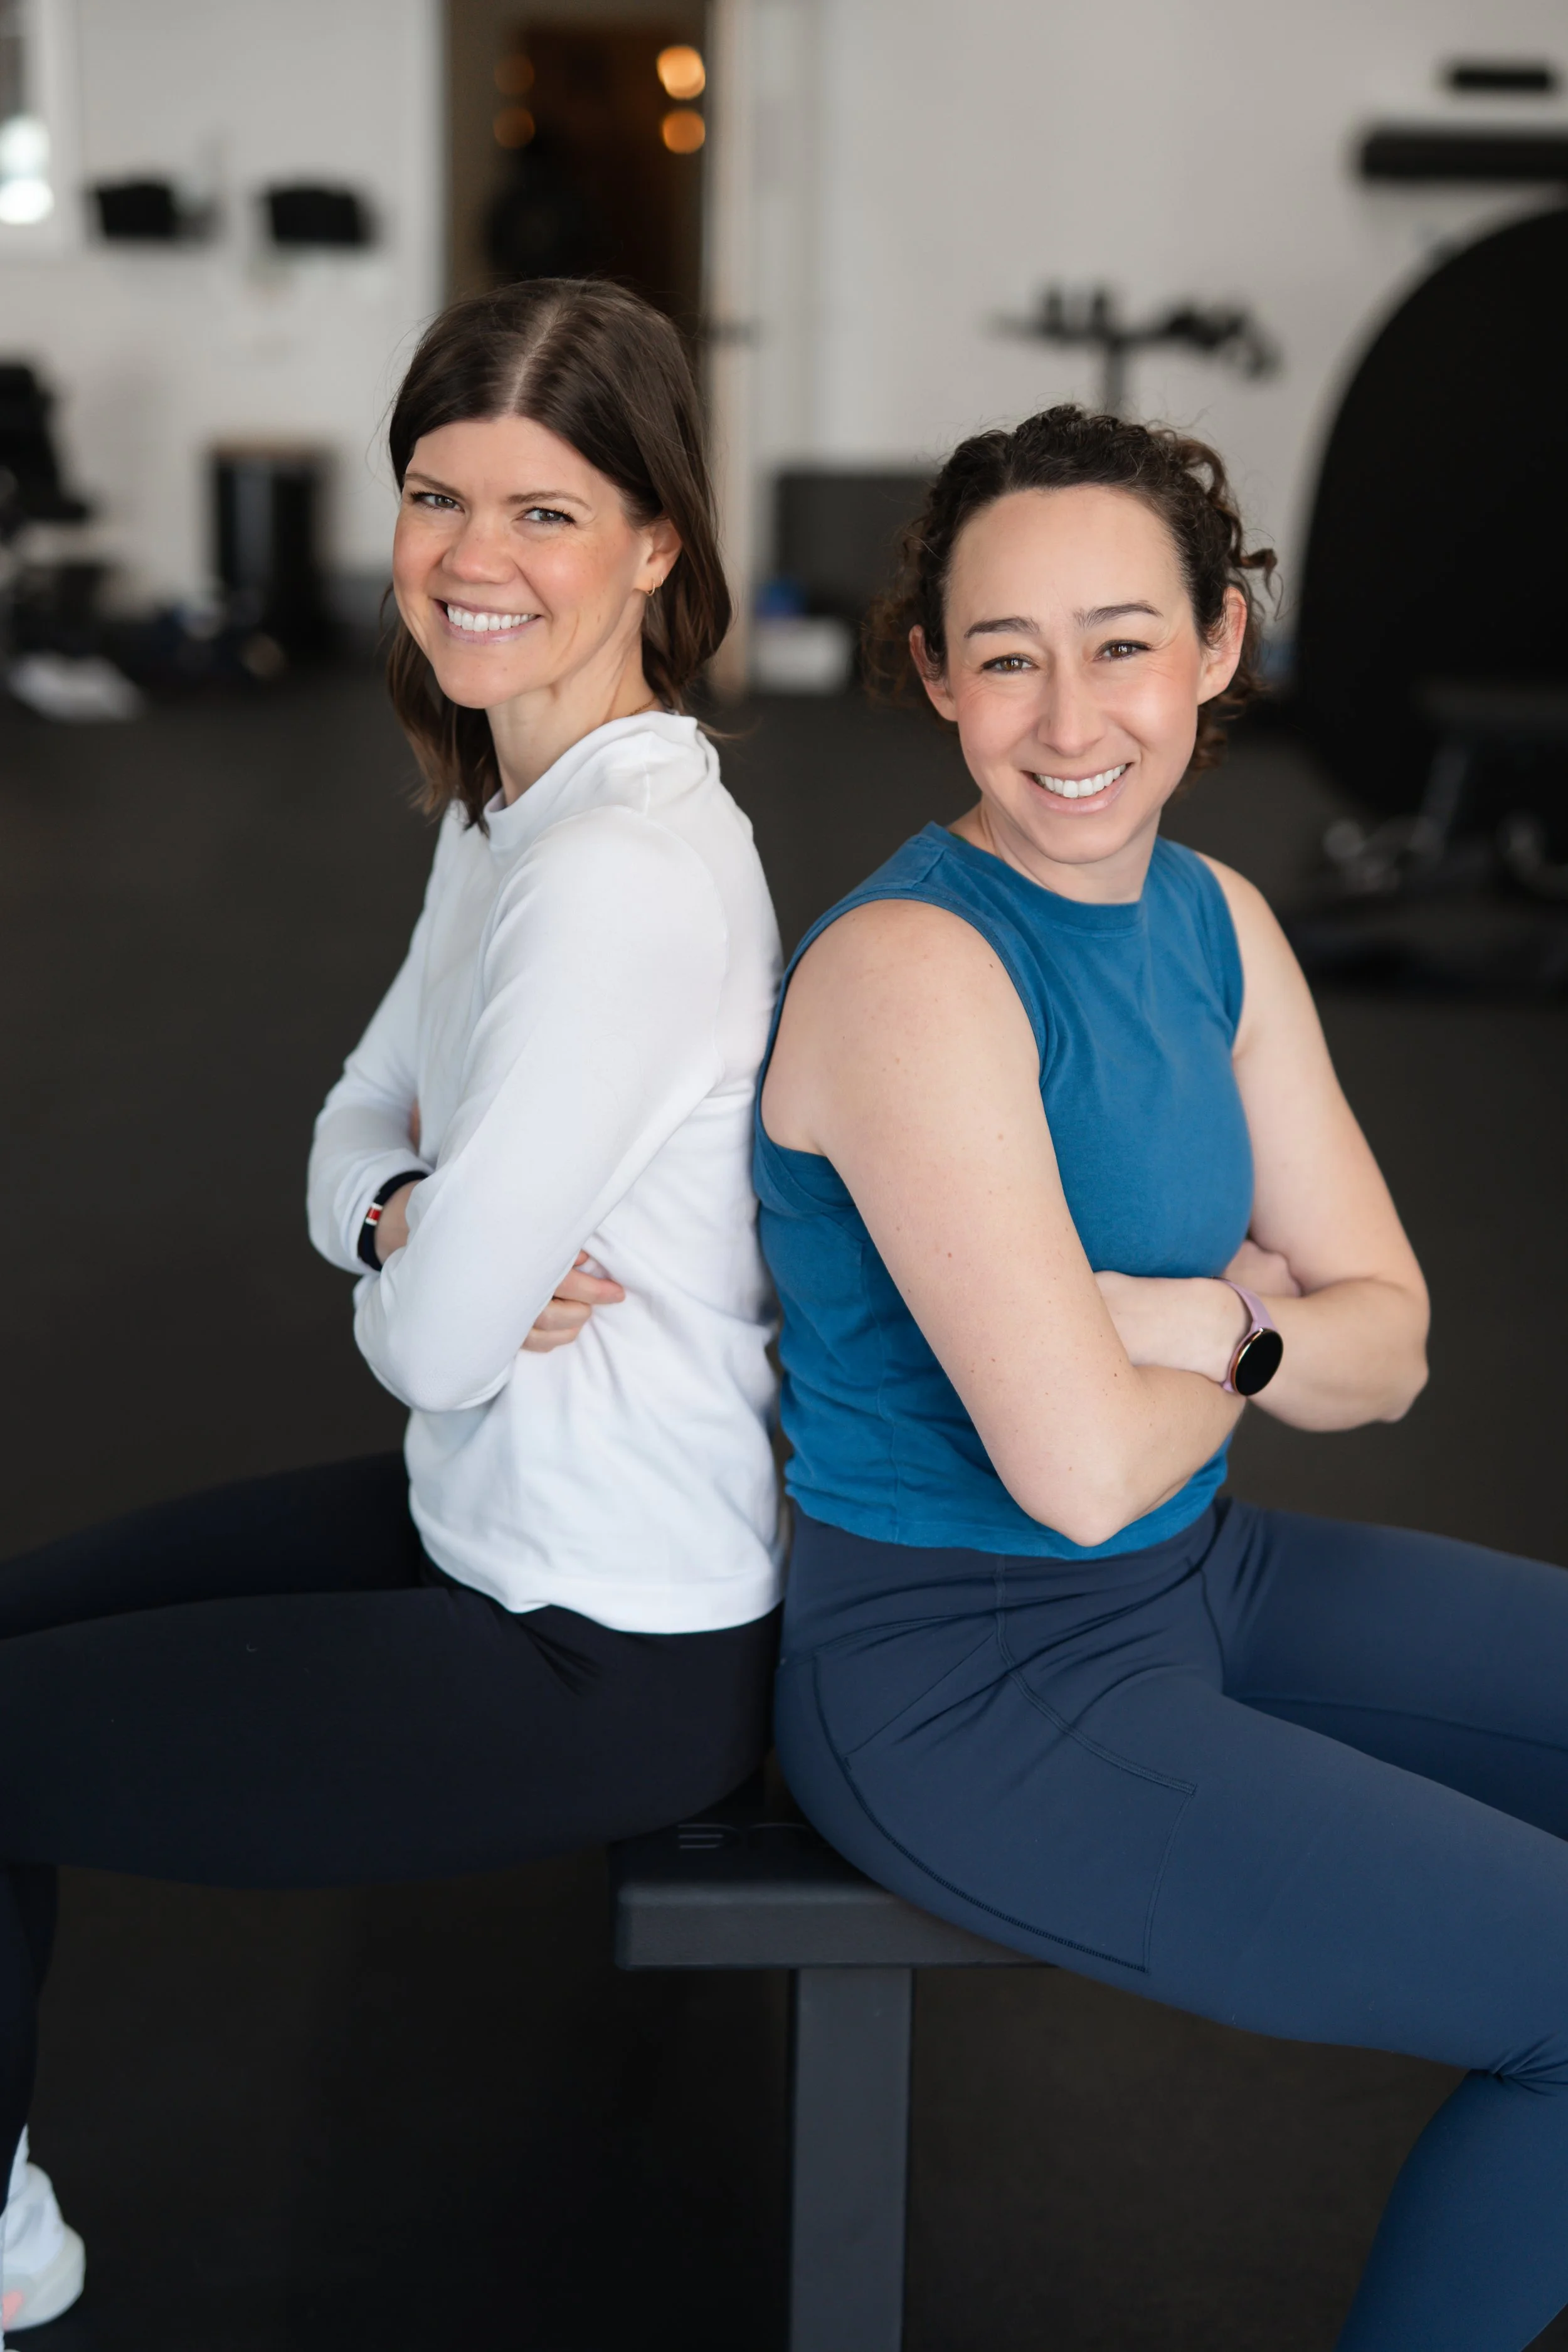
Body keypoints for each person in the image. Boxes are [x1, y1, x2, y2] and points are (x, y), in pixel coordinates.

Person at [0, 277, 783, 2339]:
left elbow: (431, 1344)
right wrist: (418, 1218)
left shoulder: (619, 872)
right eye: (439, 497)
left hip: (597, 1640)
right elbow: (350, 1135)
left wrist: (420, 1271)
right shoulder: (501, 804)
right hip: (482, 1531)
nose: (470, 559)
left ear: (655, 543)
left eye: (543, 511)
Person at [756, 403, 1568, 2352]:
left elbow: (1391, 1343)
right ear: (934, 675)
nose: (1066, 718)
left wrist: (1207, 1323)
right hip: (960, 1675)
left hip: (1204, 1578)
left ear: (1216, 647)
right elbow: (1078, 1474)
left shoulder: (1217, 921)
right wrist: (1226, 1328)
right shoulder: (910, 973)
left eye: (1121, 642)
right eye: (1005, 656)